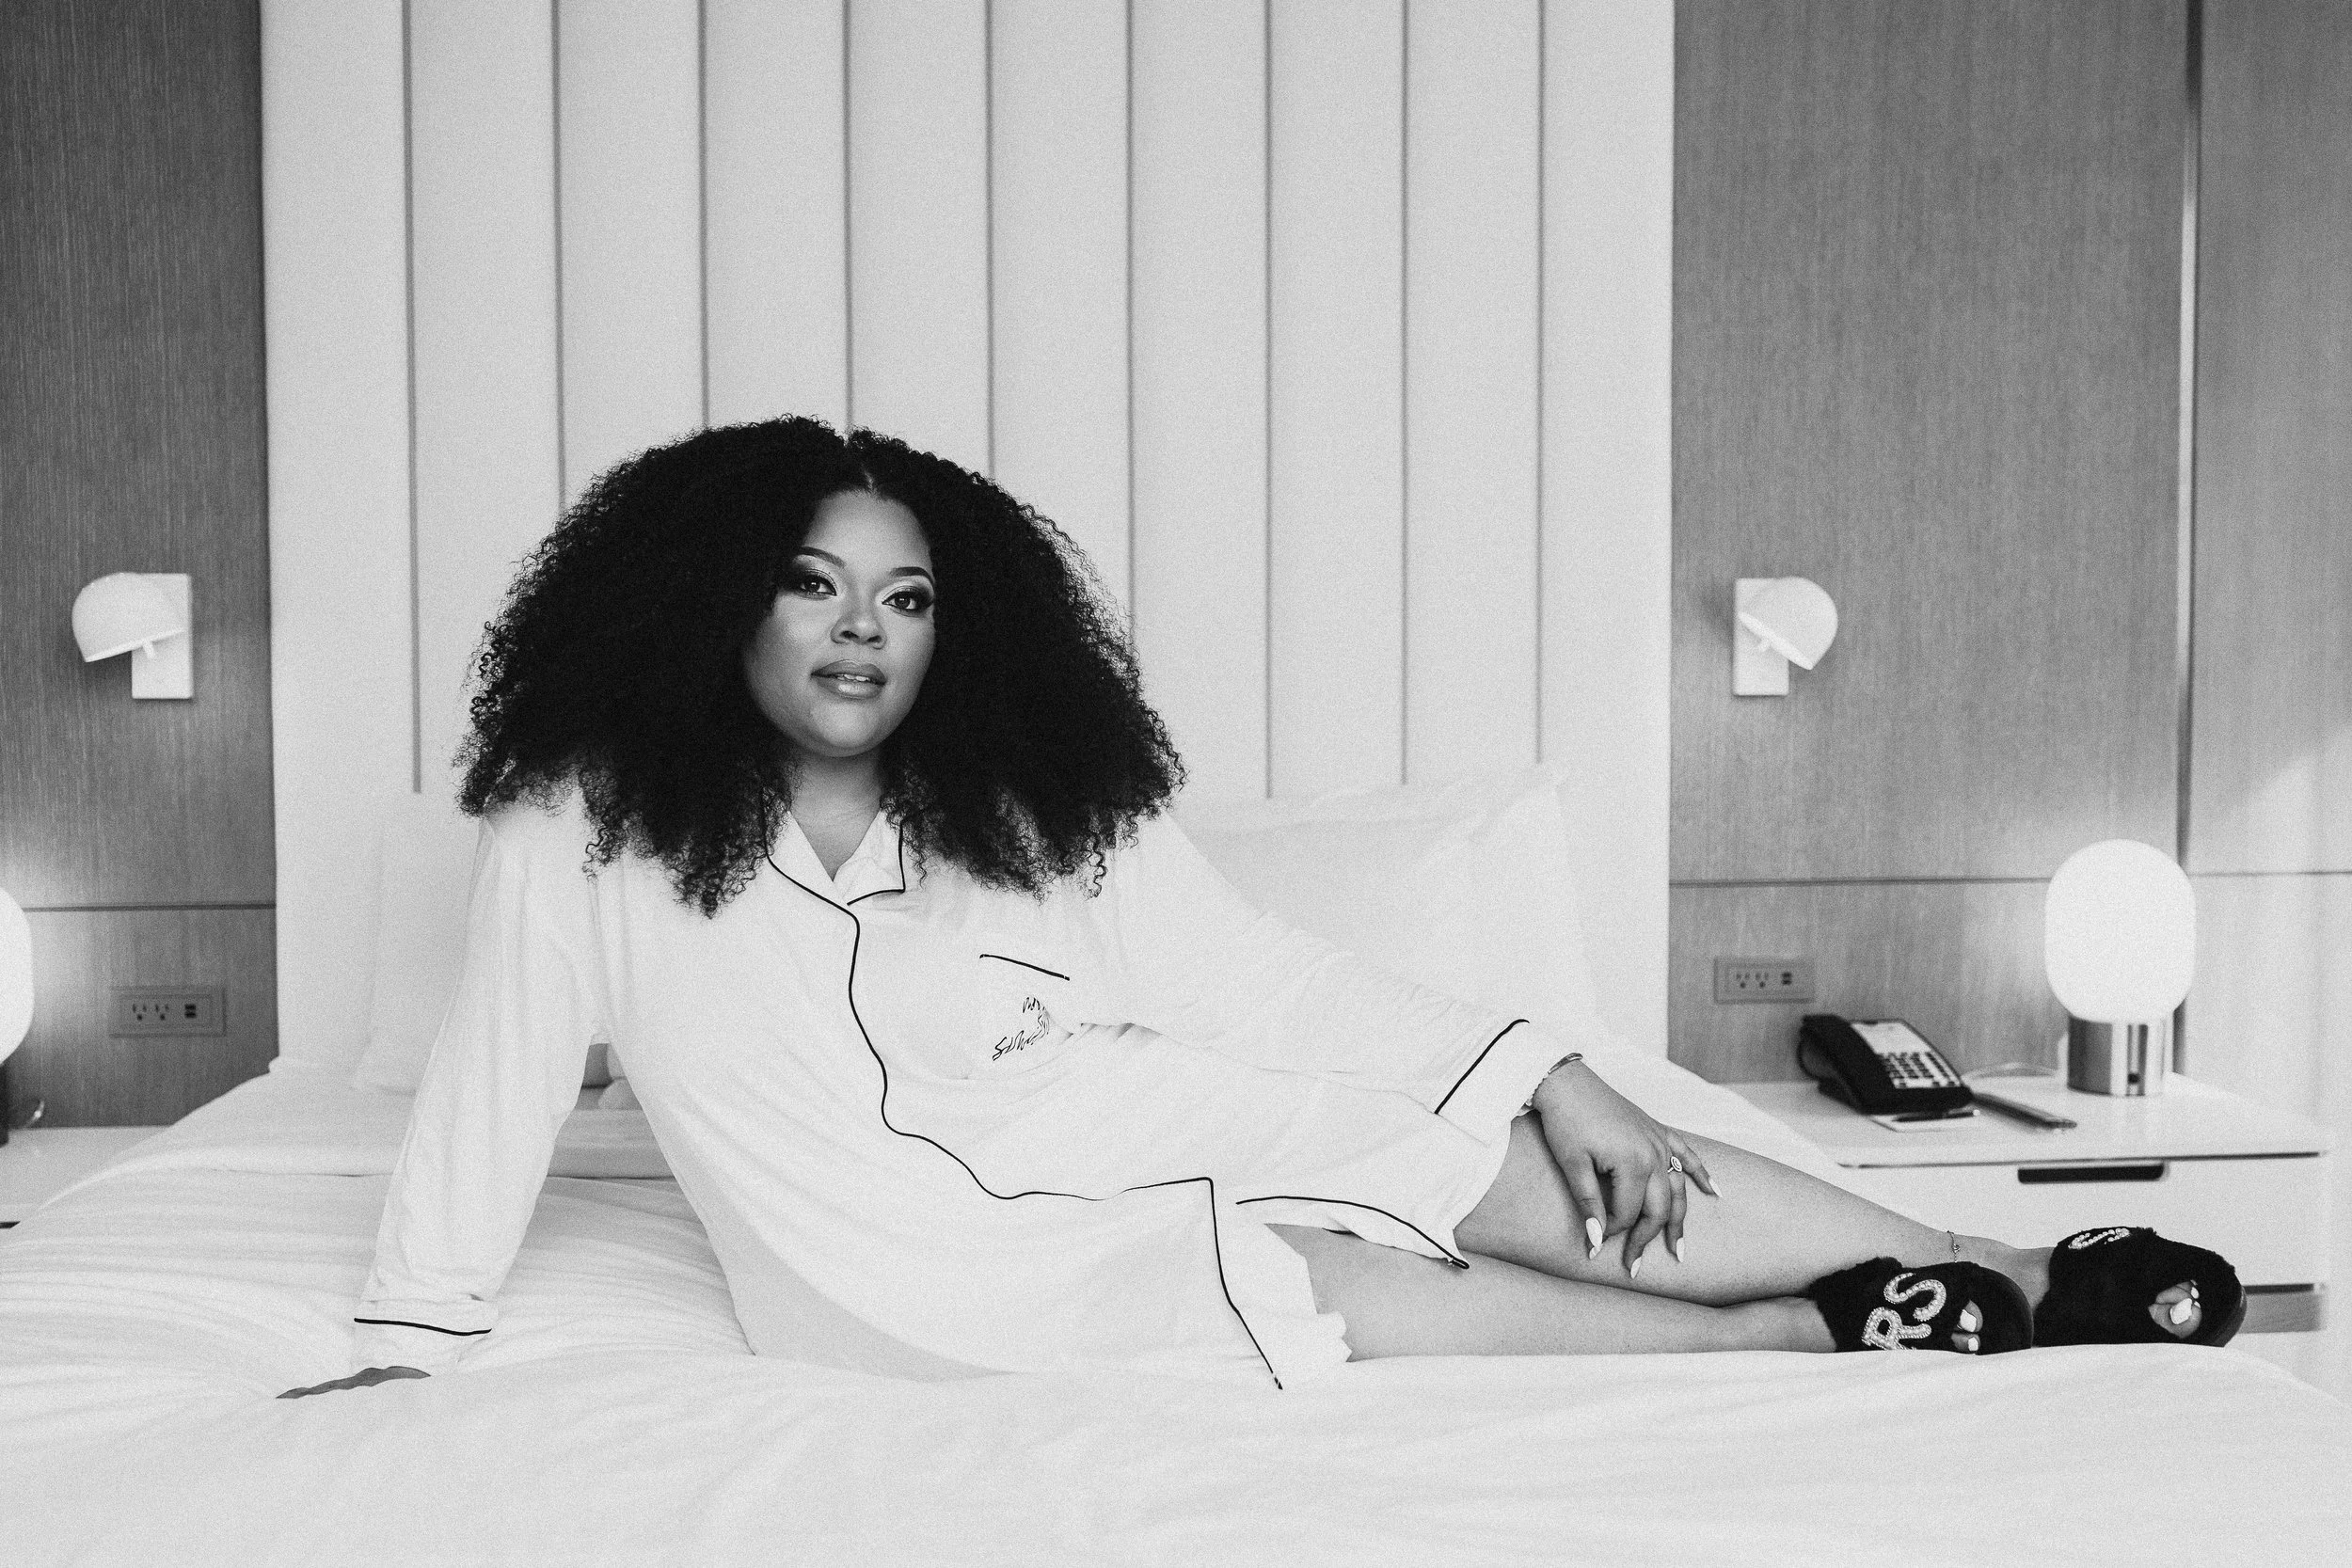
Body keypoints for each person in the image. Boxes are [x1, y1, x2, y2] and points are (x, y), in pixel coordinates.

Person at [284, 419, 2239, 1398]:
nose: (862, 633)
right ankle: (1817, 1339)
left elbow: (1251, 977)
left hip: (1110, 1107)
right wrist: (409, 1324)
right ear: (716, 593)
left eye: (903, 597)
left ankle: (2005, 1271)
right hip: (898, 1268)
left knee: (1451, 1141)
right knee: (1332, 1282)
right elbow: (497, 1077)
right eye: (811, 584)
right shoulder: (579, 826)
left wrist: (1547, 1062)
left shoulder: (1022, 799)